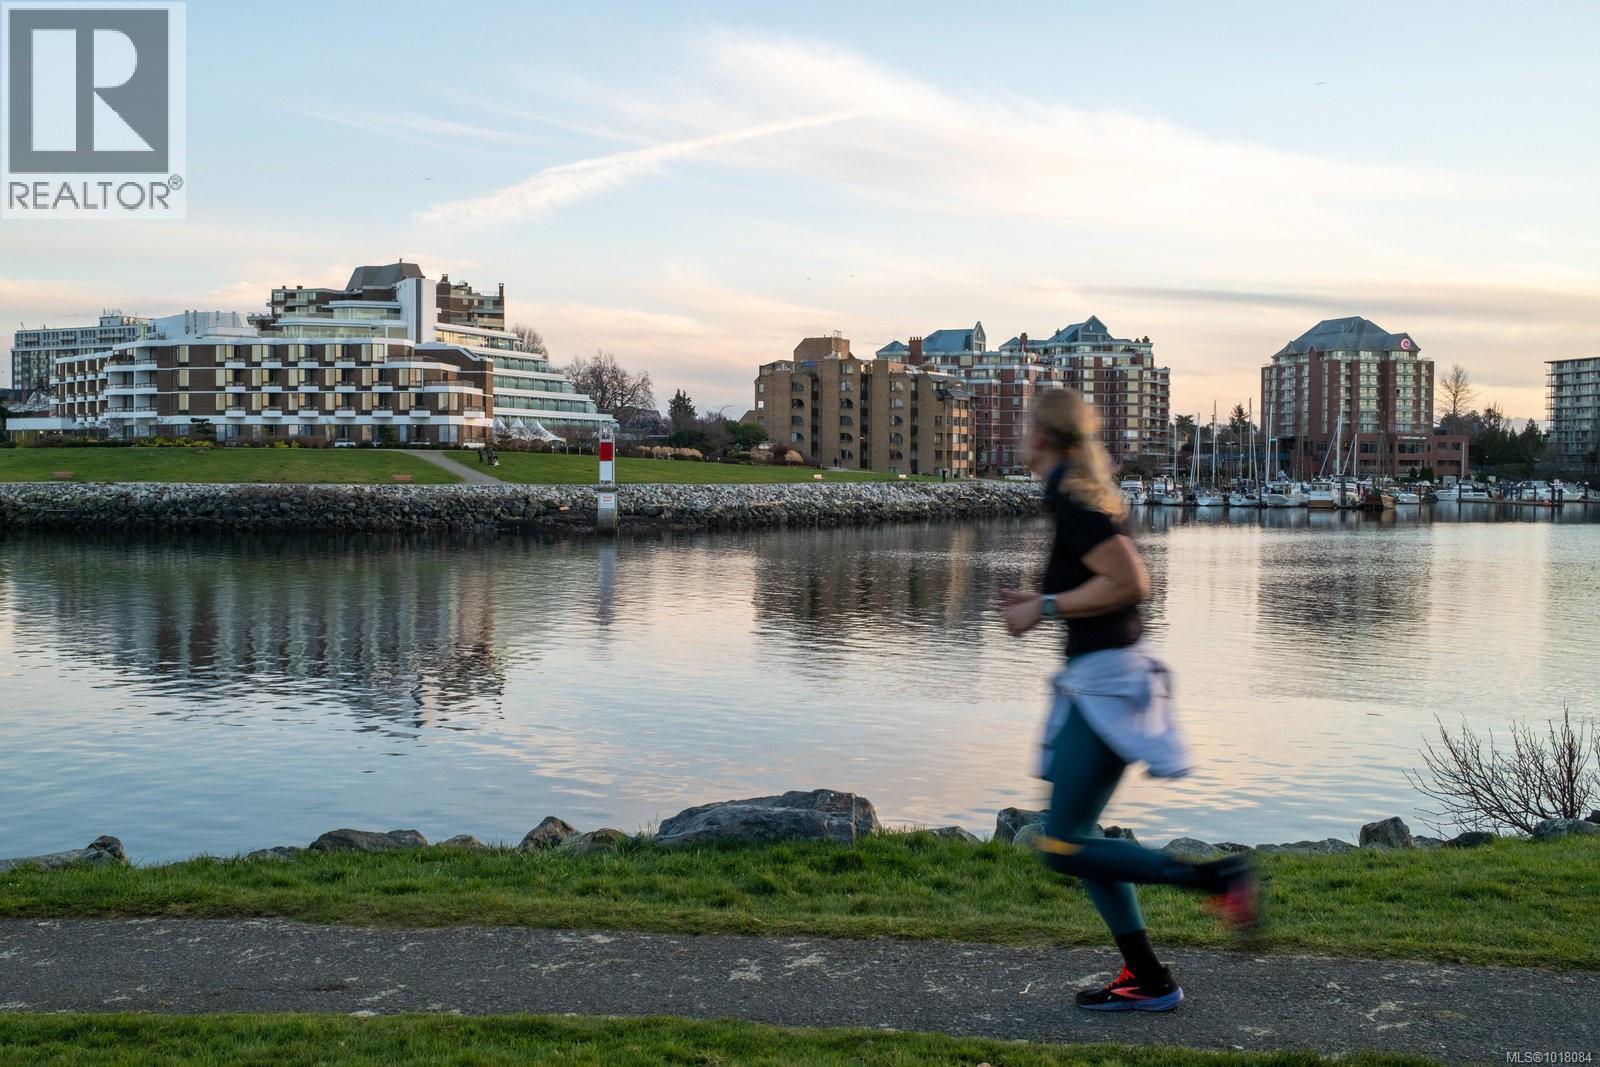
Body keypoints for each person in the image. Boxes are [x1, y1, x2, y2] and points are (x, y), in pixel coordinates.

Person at [999, 389, 1258, 1014]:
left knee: (1063, 846)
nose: (1019, 436)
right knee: (1078, 839)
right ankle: (1147, 978)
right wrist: (1042, 600)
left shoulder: (1073, 498)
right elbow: (1101, 582)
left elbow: (1131, 583)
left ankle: (1215, 877)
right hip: (1100, 679)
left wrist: (1045, 605)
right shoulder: (1074, 495)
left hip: (1107, 686)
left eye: (1026, 426)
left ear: (1044, 436)